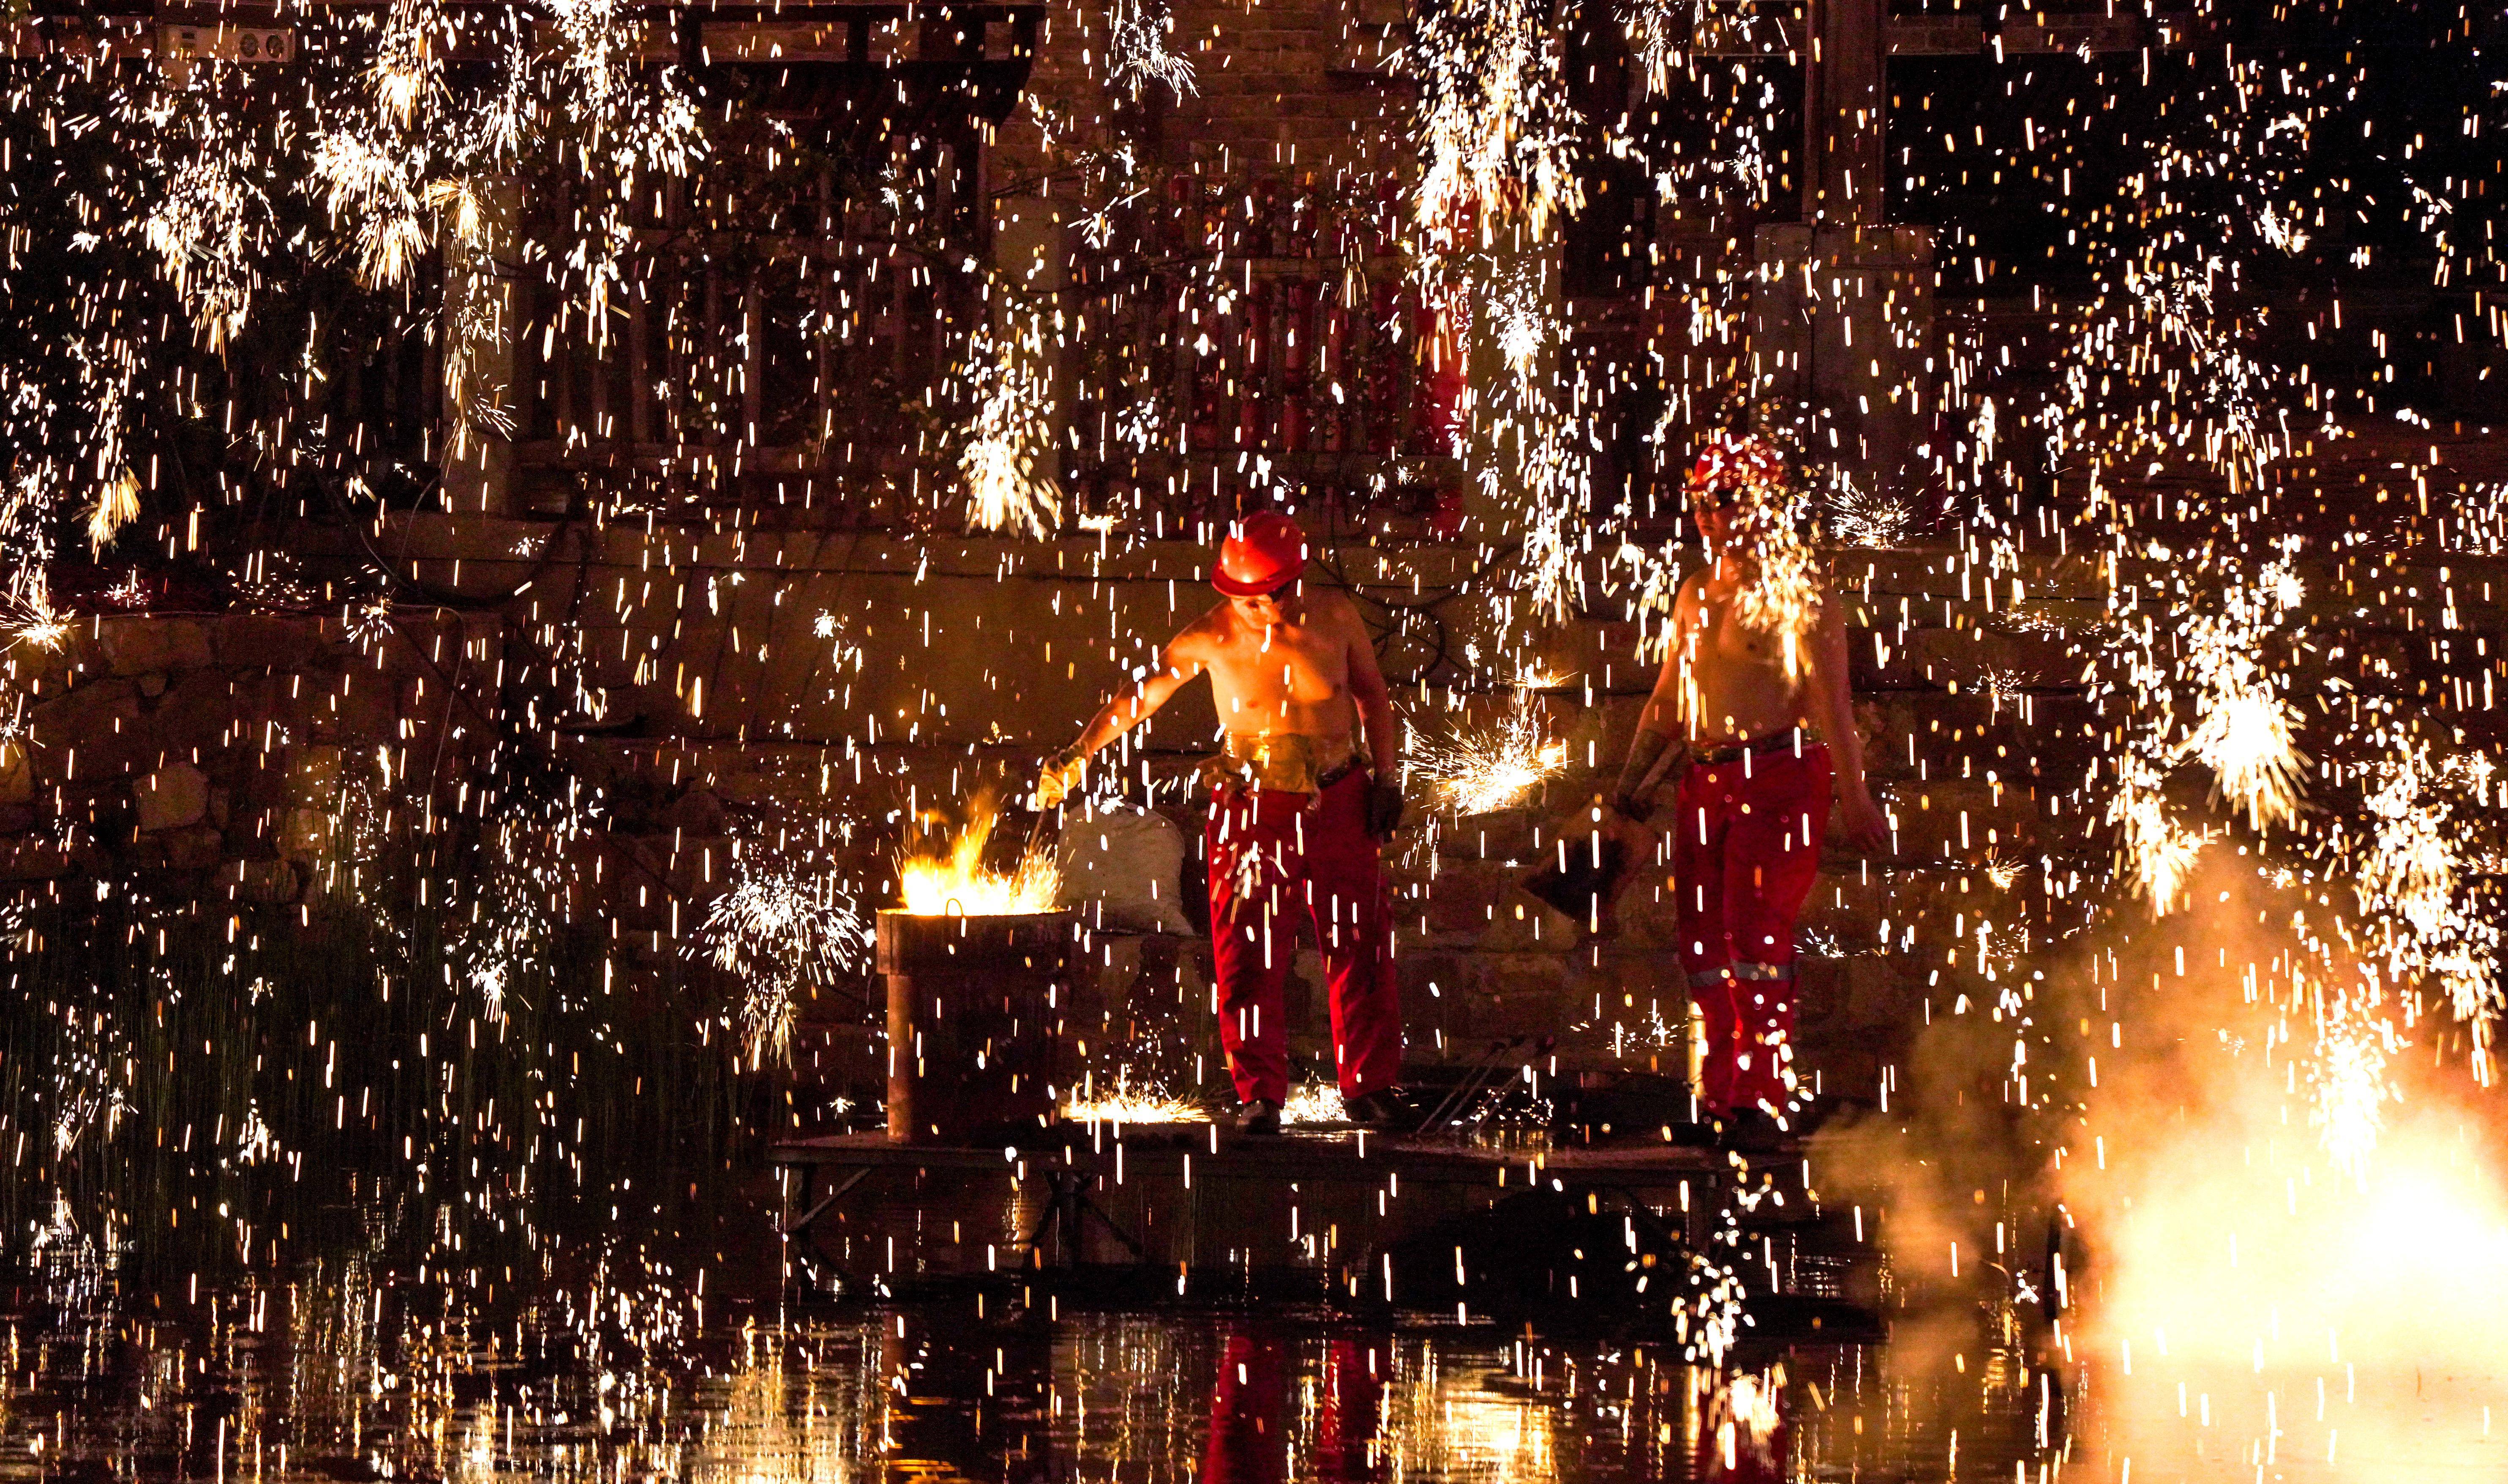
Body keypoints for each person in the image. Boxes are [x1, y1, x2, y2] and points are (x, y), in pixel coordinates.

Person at [1036, 512, 1407, 1134]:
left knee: (1360, 945)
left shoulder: (1337, 617)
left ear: (1299, 578)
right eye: (1244, 598)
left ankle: (1369, 1086)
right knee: (1248, 952)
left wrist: (1389, 780)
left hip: (1339, 797)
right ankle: (1260, 1094)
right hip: (1252, 805)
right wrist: (1082, 749)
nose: (1259, 609)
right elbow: (1144, 692)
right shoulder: (1213, 634)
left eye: (1271, 596)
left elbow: (1373, 698)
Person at [1612, 435, 1889, 1147]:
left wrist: (1856, 797)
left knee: (1754, 934)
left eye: (1726, 500)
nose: (1709, 515)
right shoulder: (1696, 593)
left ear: (1764, 504)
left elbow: (1834, 704)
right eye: (1702, 501)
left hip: (1781, 775)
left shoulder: (1801, 594)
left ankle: (1763, 1100)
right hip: (1705, 776)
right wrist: (1626, 789)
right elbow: (1670, 701)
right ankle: (1722, 1096)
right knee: (1701, 942)